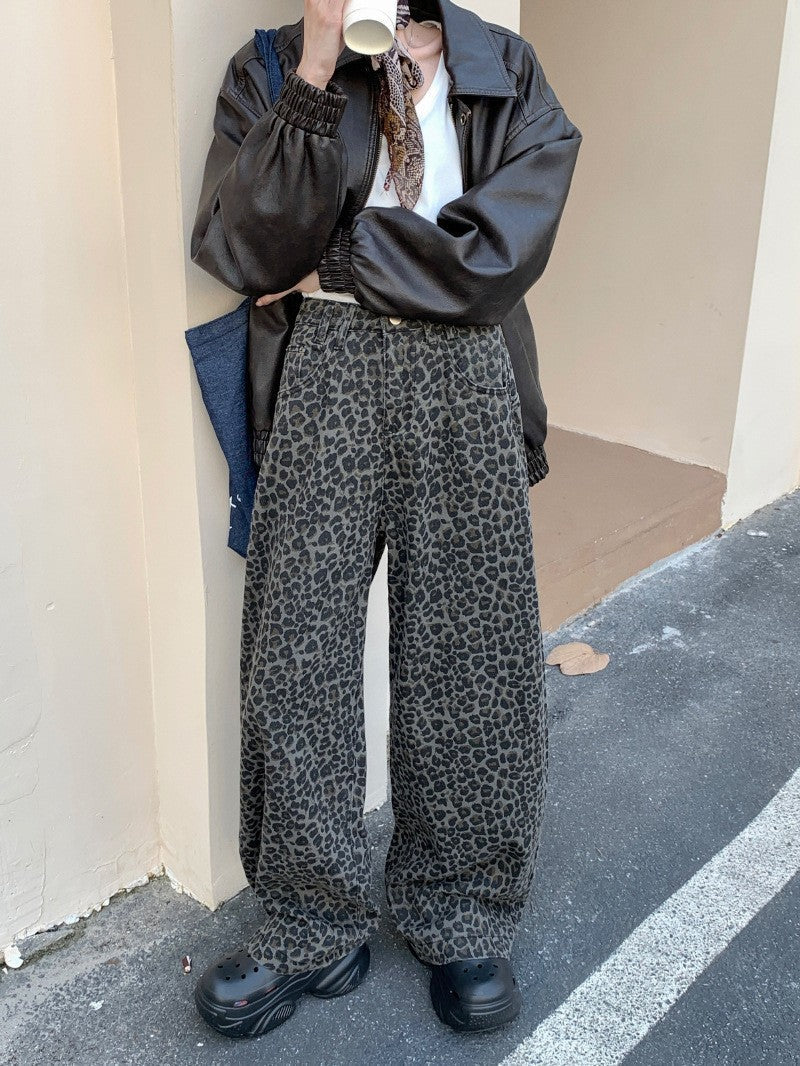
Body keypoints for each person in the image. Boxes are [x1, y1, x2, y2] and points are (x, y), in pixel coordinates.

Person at [190, 0, 581, 1039]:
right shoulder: (271, 68)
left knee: (471, 649)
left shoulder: (504, 69)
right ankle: (310, 920)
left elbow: (501, 252)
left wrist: (338, 263)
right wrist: (319, 69)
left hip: (467, 369)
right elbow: (241, 248)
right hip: (320, 371)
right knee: (297, 648)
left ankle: (460, 911)